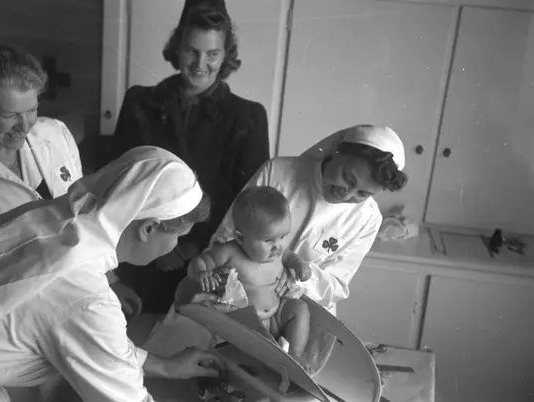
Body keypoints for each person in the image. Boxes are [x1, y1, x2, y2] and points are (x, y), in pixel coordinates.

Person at [0, 146, 224, 402]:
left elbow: (92, 341)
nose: (176, 246)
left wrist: (164, 366)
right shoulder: (84, 295)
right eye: (178, 237)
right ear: (149, 228)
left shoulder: (53, 219)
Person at [0, 44, 140, 318]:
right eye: (9, 115)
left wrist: (110, 281)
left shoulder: (54, 134)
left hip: (82, 295)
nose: (25, 125)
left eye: (31, 109)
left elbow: (84, 220)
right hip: (13, 315)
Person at [111, 0, 270, 313]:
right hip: (137, 257)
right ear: (177, 48)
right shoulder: (139, 102)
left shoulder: (248, 116)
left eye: (212, 54)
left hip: (209, 266)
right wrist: (158, 246)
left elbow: (247, 204)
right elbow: (119, 183)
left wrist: (191, 248)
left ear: (226, 55)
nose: (200, 64)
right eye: (192, 51)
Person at [210, 125, 409, 315]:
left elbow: (337, 285)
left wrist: (295, 278)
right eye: (347, 178)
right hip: (240, 295)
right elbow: (227, 236)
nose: (347, 194)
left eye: (363, 193)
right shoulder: (278, 172)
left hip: (303, 310)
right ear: (337, 152)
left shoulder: (368, 219)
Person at [187, 186, 312, 369]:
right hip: (242, 323)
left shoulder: (278, 251)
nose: (278, 246)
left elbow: (289, 256)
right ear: (240, 238)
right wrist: (202, 273)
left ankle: (294, 355)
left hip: (275, 315)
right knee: (225, 338)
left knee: (300, 309)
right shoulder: (228, 253)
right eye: (268, 240)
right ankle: (230, 360)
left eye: (283, 237)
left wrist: (299, 264)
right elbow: (200, 261)